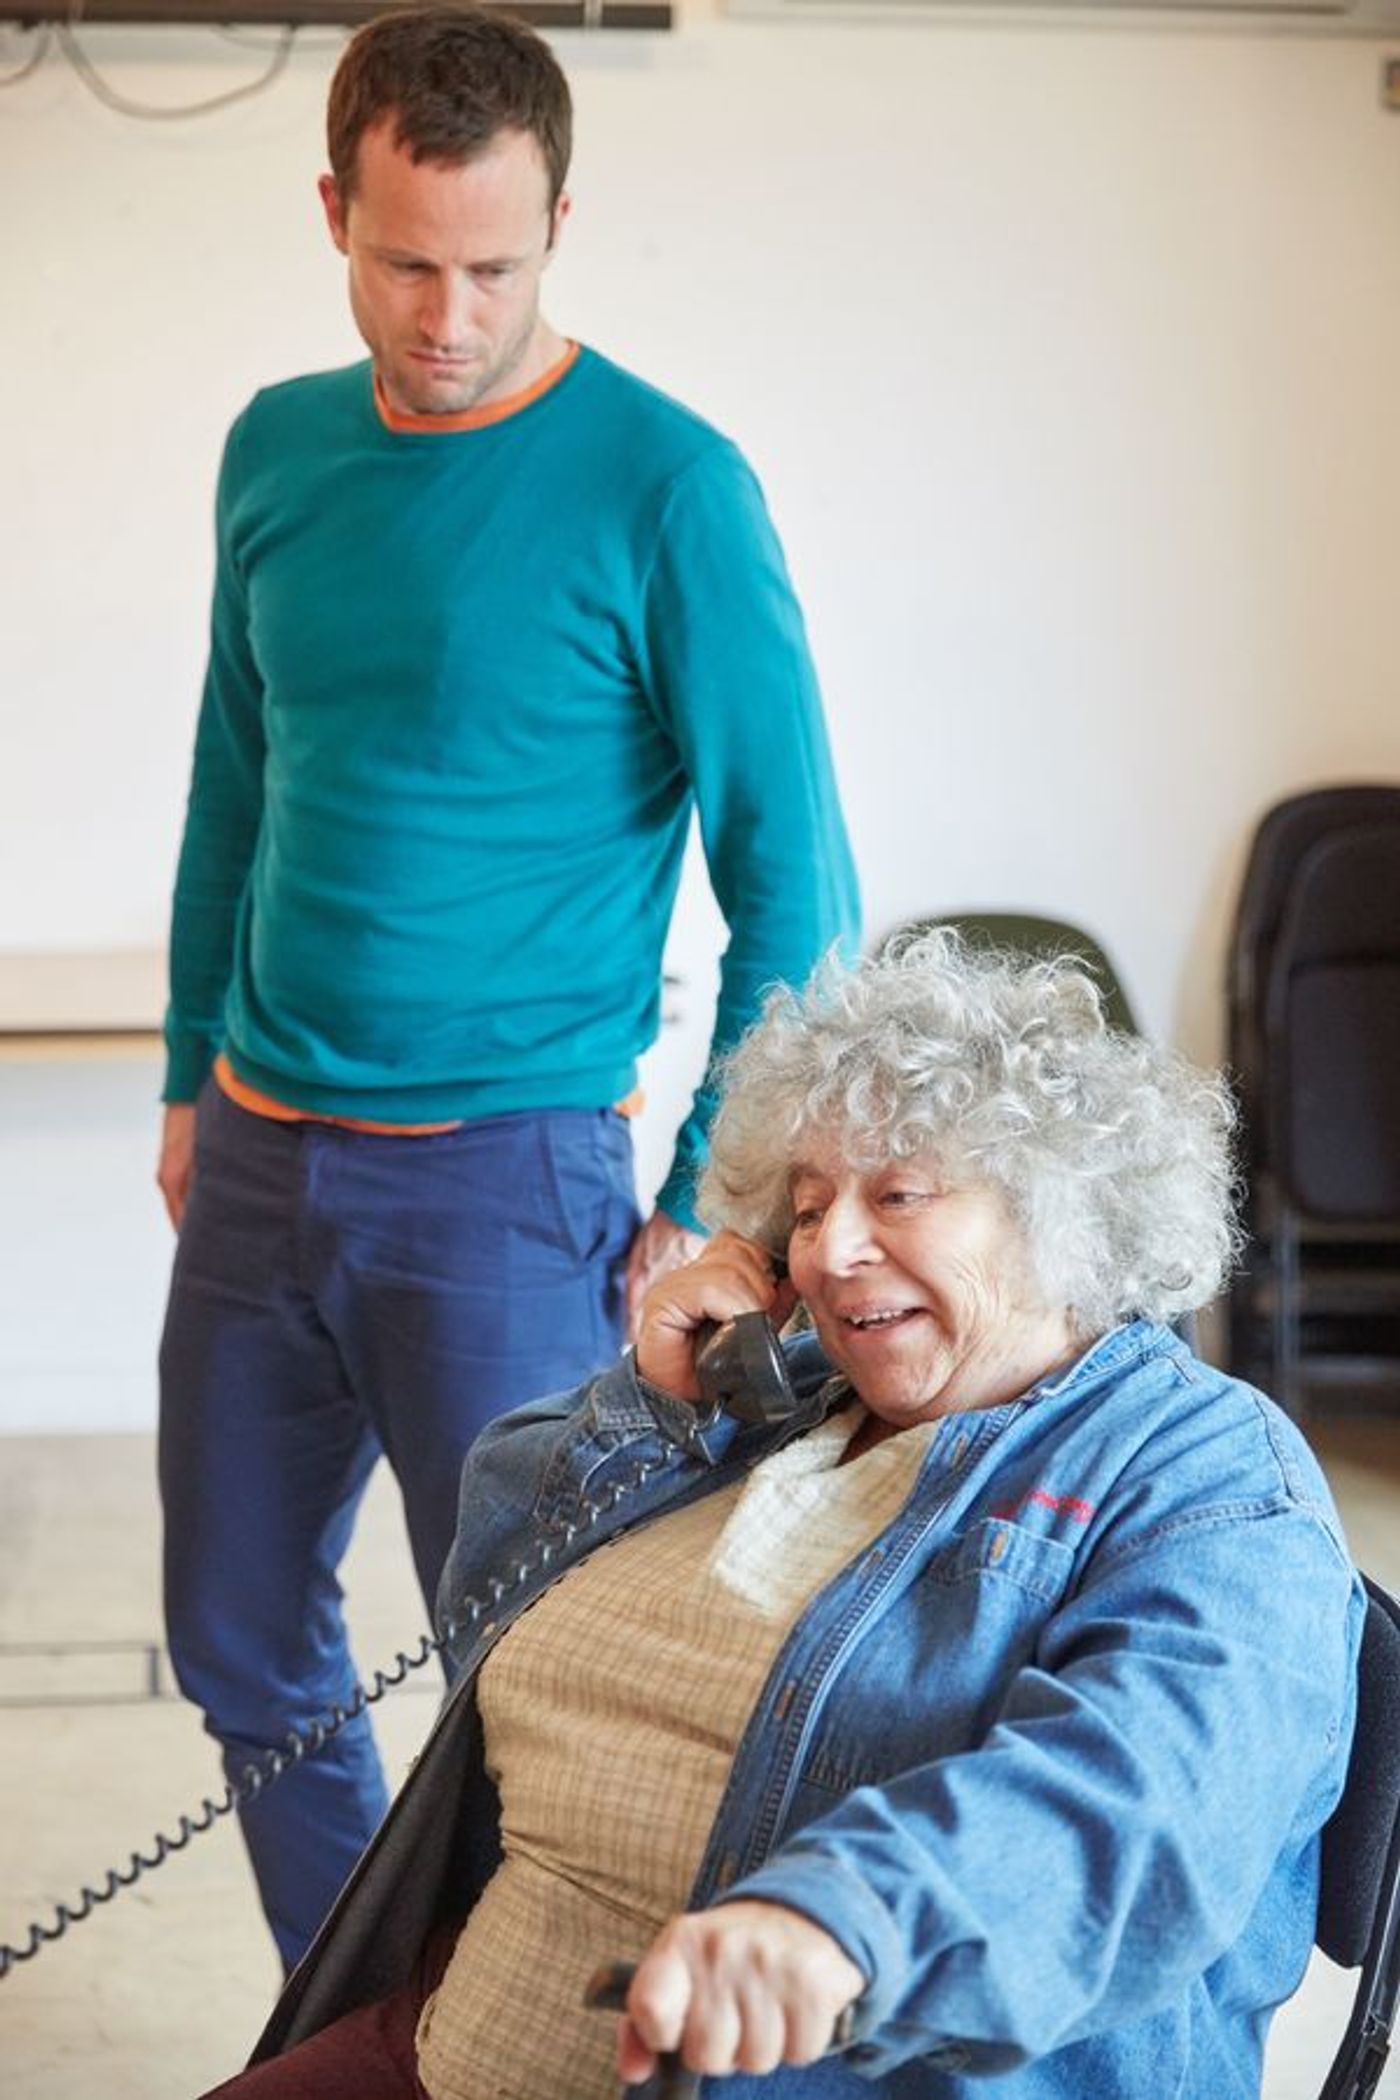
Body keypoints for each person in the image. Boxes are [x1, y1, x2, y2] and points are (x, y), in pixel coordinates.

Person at [156, 2, 859, 1974]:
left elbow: (797, 879)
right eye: (405, 265)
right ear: (333, 212)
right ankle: (359, 2027)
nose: (447, 316)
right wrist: (188, 1078)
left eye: (493, 268)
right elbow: (235, 783)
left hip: (506, 1177)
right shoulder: (277, 450)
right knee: (238, 1642)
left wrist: (715, 1192)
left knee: (527, 1669)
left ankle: (506, 2044)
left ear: (558, 222)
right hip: (260, 1159)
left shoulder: (668, 487)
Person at [200, 929, 1363, 2100]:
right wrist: (649, 1407)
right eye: (804, 1211)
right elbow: (485, 1607)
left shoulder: (1206, 1479)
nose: (830, 1252)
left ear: (1054, 1208)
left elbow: (1141, 1805)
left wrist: (845, 1917)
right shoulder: (771, 1402)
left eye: (897, 1194)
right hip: (460, 2033)